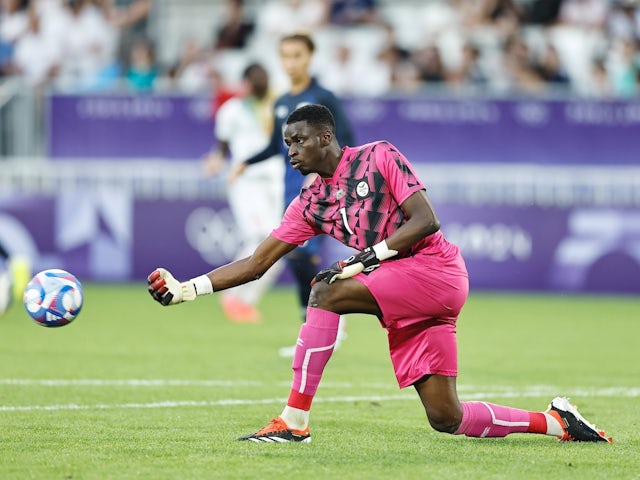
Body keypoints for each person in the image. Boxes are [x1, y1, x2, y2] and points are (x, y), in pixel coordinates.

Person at [148, 103, 612, 445]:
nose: (290, 151)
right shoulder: (310, 203)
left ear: (325, 137)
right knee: (446, 417)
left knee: (325, 292)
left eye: (297, 141)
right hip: (406, 293)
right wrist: (186, 290)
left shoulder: (378, 155)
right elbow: (255, 264)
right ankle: (557, 421)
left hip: (436, 271)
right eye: (286, 143)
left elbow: (426, 220)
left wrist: (366, 259)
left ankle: (293, 421)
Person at [230, 32, 354, 356]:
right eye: (285, 56)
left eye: (297, 55)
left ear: (310, 57)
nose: (291, 62)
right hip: (292, 194)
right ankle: (317, 329)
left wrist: (337, 180)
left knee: (302, 256)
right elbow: (275, 145)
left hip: (323, 192)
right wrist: (245, 162)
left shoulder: (324, 97)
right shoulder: (282, 102)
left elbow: (348, 140)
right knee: (299, 261)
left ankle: (327, 323)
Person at [203, 62, 285, 323]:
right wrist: (216, 159)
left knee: (282, 246)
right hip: (246, 181)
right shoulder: (232, 110)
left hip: (276, 181)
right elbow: (222, 146)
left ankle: (244, 301)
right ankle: (231, 294)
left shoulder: (278, 106)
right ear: (247, 83)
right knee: (259, 239)